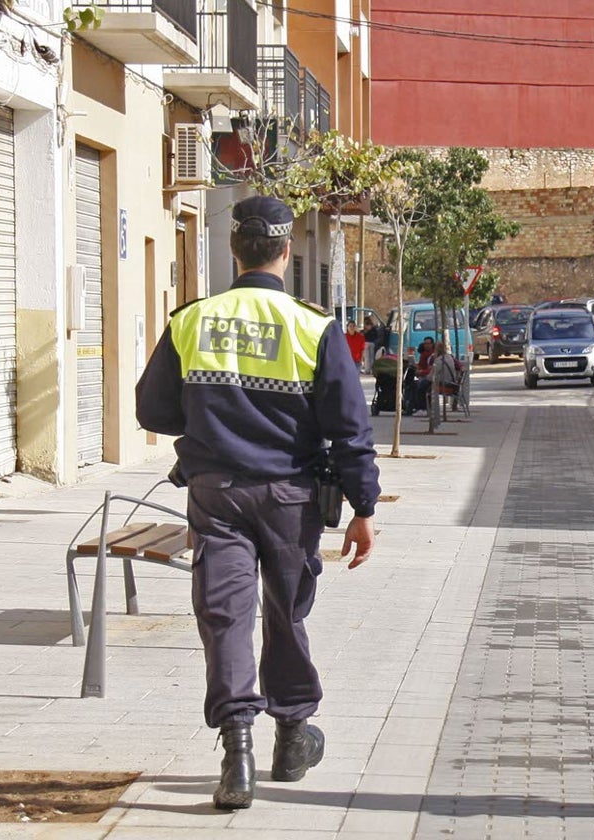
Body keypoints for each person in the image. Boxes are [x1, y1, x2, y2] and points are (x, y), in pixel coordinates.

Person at [135, 195, 381, 811]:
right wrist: (363, 507)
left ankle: (237, 753)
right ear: (285, 250)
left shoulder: (192, 320)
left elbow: (151, 409)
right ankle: (293, 736)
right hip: (290, 498)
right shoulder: (313, 326)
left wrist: (211, 417)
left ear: (232, 248)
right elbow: (350, 429)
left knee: (225, 617)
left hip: (215, 495)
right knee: (285, 614)